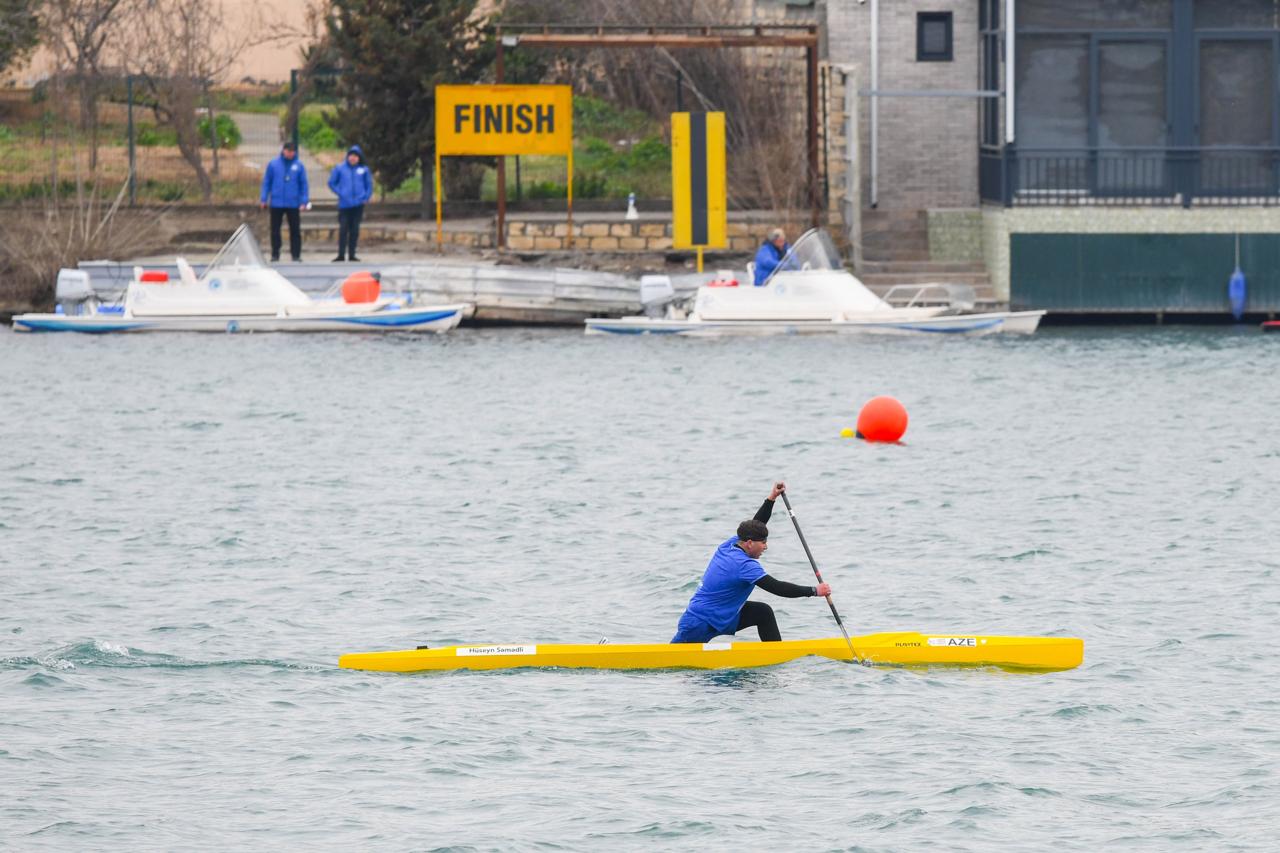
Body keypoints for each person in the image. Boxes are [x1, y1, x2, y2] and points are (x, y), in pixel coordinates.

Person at [671, 481, 832, 644]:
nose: (766, 547)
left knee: (762, 612)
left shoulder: (730, 544)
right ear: (749, 543)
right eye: (763, 542)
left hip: (723, 615)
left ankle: (775, 653)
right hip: (700, 624)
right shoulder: (744, 565)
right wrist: (814, 591)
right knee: (676, 656)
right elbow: (777, 587)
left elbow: (757, 524)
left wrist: (771, 498)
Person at [259, 141, 309, 262]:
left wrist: (304, 201)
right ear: (283, 151)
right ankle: (275, 254)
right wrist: (264, 198)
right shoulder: (273, 164)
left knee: (295, 230)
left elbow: (304, 184)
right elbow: (267, 182)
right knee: (275, 230)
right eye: (288, 151)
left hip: (293, 203)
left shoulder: (299, 165)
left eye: (292, 151)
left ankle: (296, 254)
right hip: (277, 203)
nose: (290, 153)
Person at [327, 145, 374, 262]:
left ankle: (352, 254)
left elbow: (369, 185)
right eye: (351, 156)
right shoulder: (340, 168)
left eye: (355, 156)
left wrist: (366, 196)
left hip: (358, 204)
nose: (353, 158)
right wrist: (341, 192)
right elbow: (331, 183)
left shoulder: (364, 169)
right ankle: (341, 254)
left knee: (355, 229)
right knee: (343, 229)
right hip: (344, 204)